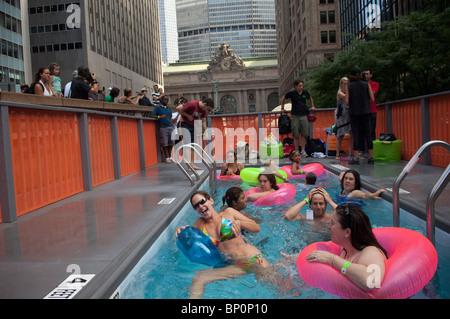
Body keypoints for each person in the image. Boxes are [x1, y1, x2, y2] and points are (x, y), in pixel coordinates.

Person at [174, 191, 265, 298]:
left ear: (211, 201)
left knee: (273, 289)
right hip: (237, 265)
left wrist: (240, 223)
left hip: (253, 258)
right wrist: (180, 232)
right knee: (199, 279)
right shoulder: (200, 223)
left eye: (202, 202)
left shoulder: (229, 213)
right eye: (196, 206)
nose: (200, 206)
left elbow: (256, 228)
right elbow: (190, 241)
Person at [306, 204, 387, 291]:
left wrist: (332, 260)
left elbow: (372, 282)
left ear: (347, 232)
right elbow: (317, 254)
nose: (329, 227)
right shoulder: (345, 247)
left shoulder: (371, 252)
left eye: (332, 223)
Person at [345, 67, 375, 164]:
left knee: (356, 134)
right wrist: (366, 103)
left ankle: (356, 157)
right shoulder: (366, 84)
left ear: (351, 76)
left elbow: (346, 102)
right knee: (368, 134)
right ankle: (371, 157)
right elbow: (372, 99)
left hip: (354, 113)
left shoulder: (349, 86)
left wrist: (353, 105)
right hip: (366, 112)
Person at [176, 98, 215, 170]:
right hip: (184, 124)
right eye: (208, 108)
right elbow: (178, 108)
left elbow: (203, 121)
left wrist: (206, 131)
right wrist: (188, 116)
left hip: (193, 125)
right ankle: (189, 166)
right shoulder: (193, 104)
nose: (207, 110)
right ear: (205, 104)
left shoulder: (203, 110)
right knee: (187, 144)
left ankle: (192, 164)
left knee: (192, 145)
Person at [280, 79, 316, 157]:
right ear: (295, 86)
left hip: (304, 115)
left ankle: (302, 150)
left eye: (302, 86)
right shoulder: (292, 93)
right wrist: (282, 108)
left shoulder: (305, 93)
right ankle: (296, 150)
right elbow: (283, 98)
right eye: (299, 86)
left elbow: (310, 98)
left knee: (304, 133)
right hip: (295, 116)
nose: (301, 87)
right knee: (295, 134)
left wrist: (312, 106)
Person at [152, 95, 174, 163]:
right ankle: (167, 157)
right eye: (165, 99)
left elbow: (170, 117)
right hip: (163, 127)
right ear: (161, 100)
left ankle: (170, 157)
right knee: (165, 143)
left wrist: (172, 125)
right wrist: (160, 117)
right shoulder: (158, 107)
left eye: (167, 100)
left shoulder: (169, 108)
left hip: (170, 126)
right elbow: (152, 115)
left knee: (171, 143)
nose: (166, 101)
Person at [335, 77, 353, 160]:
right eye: (344, 83)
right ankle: (337, 154)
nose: (346, 85)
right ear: (341, 84)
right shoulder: (339, 93)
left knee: (352, 133)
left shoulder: (349, 92)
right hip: (341, 114)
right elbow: (346, 97)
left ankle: (351, 153)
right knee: (340, 135)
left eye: (347, 83)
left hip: (349, 114)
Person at [363, 69, 380, 143]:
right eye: (364, 74)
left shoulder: (375, 84)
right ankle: (363, 149)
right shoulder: (361, 84)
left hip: (372, 110)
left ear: (371, 75)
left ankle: (372, 148)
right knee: (363, 130)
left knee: (372, 130)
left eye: (367, 74)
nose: (366, 76)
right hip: (363, 110)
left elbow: (373, 93)